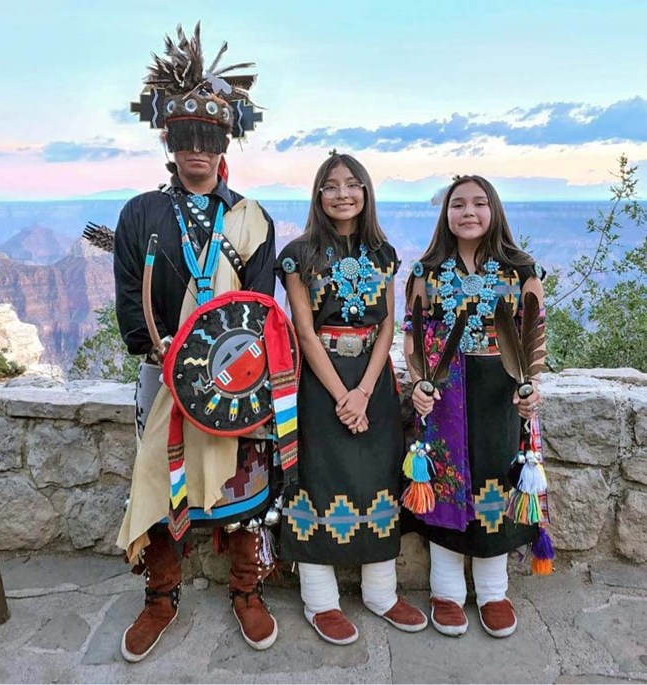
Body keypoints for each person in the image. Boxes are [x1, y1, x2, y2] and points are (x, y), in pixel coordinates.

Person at [113, 23, 284, 661]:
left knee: (245, 480)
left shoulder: (250, 217)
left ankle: (247, 588)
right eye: (186, 140)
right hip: (164, 371)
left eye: (208, 141)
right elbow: (131, 289)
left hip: (236, 372)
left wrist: (244, 365)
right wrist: (151, 347)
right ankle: (160, 596)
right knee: (158, 475)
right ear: (169, 141)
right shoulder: (141, 214)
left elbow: (263, 305)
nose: (197, 154)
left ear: (224, 144)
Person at [275, 152, 428, 645]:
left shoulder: (382, 253)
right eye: (331, 185)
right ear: (318, 196)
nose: (343, 193)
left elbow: (387, 321)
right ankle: (320, 601)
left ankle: (381, 593)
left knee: (379, 476)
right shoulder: (298, 255)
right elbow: (303, 329)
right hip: (321, 384)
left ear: (366, 192)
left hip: (374, 381)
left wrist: (364, 390)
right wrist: (343, 394)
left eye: (352, 184)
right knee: (318, 479)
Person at [402, 174, 546, 639]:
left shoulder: (521, 270)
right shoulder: (427, 271)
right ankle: (445, 592)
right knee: (445, 486)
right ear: (445, 214)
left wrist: (531, 388)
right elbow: (412, 334)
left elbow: (532, 338)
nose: (468, 212)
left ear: (494, 210)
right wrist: (421, 382)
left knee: (494, 485)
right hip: (445, 394)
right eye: (457, 204)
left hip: (501, 396)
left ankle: (492, 591)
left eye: (479, 203)